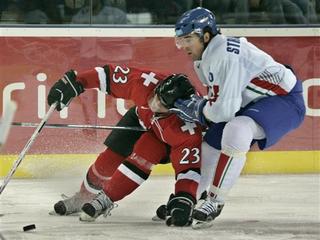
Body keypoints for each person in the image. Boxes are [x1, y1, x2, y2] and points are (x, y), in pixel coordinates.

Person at [171, 7, 306, 229]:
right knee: (209, 146)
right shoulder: (203, 58)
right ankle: (187, 198)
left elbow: (223, 111)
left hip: (284, 100)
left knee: (237, 129)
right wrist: (204, 109)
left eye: (188, 39)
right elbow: (221, 103)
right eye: (180, 40)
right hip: (251, 103)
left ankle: (214, 201)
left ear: (206, 36)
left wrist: (200, 109)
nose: (183, 46)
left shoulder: (224, 54)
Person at [47, 65, 203, 226]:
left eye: (162, 104)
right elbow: (108, 75)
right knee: (107, 160)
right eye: (156, 96)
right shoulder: (145, 82)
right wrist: (77, 83)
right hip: (140, 119)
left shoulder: (187, 129)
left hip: (163, 139)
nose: (153, 104)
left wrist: (184, 198)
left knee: (144, 157)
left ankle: (108, 199)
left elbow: (189, 169)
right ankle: (83, 197)